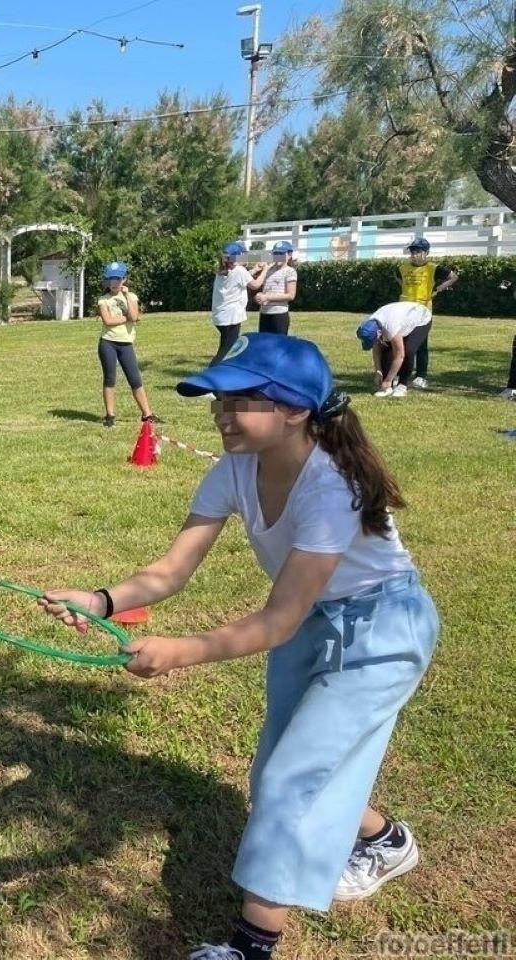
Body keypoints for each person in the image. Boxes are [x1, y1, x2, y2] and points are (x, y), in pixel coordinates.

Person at [40, 333, 438, 960]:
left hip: (381, 632)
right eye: (218, 399)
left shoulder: (330, 487)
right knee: (286, 767)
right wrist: (101, 599)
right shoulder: (233, 469)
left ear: (295, 410)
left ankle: (251, 947)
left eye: (243, 400)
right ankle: (386, 839)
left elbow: (277, 619)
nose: (223, 414)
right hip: (313, 624)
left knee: (289, 779)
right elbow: (171, 572)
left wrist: (184, 651)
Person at [95, 261, 161, 428]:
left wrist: (125, 297)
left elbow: (135, 315)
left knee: (135, 379)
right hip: (108, 342)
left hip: (126, 343)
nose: (114, 283)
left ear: (124, 279)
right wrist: (128, 319)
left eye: (117, 279)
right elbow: (108, 321)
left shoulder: (131, 297)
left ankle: (147, 414)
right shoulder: (103, 299)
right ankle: (110, 415)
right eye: (110, 279)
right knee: (110, 378)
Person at [398, 238, 458, 389]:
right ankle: (401, 372)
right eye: (412, 252)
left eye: (418, 251)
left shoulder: (433, 268)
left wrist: (437, 289)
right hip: (404, 309)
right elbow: (398, 277)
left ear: (426, 253)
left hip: (423, 310)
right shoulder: (402, 268)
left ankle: (421, 375)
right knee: (402, 342)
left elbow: (453, 277)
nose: (414, 255)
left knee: (421, 344)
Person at [357, 301, 434, 398]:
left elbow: (400, 356)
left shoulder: (391, 326)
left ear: (379, 332)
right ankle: (387, 387)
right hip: (401, 319)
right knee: (385, 349)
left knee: (408, 350)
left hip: (421, 317)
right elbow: (377, 349)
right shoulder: (371, 324)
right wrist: (378, 371)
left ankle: (402, 385)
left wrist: (388, 379)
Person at [211, 242, 257, 364]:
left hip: (221, 317)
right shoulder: (240, 270)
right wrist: (265, 270)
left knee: (225, 345)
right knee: (226, 350)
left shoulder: (223, 269)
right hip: (231, 317)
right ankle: (210, 373)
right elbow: (255, 285)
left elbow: (240, 279)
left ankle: (220, 373)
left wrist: (255, 270)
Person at [248, 241, 298, 335]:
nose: (277, 256)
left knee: (279, 345)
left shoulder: (290, 272)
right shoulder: (268, 270)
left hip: (279, 315)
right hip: (264, 313)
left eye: (281, 254)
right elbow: (253, 283)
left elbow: (291, 295)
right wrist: (258, 296)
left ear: (289, 254)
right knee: (265, 344)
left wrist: (267, 297)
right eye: (275, 253)